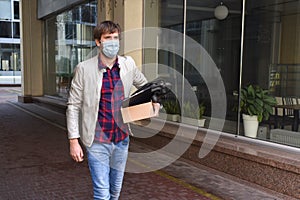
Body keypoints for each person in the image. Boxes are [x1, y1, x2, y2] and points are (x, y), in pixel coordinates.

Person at [66, 20, 148, 200]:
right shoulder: (84, 69)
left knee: (115, 192)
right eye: (108, 38)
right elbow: (73, 106)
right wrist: (74, 140)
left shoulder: (128, 65)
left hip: (121, 139)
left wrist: (153, 101)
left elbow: (145, 87)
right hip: (97, 141)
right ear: (98, 42)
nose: (113, 42)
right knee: (102, 194)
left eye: (116, 37)